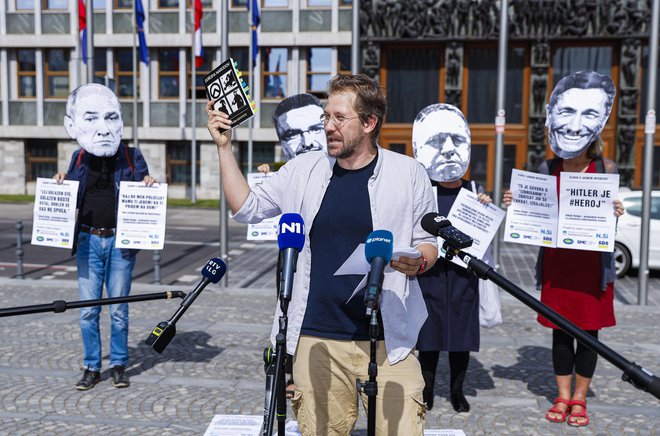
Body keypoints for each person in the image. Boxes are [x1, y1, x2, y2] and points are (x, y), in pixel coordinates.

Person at [207, 74, 438, 435]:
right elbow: (246, 207)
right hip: (317, 337)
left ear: (368, 122)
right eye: (325, 117)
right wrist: (224, 147)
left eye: (338, 118)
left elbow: (427, 241)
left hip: (389, 337)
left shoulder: (408, 173)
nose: (327, 127)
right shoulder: (302, 170)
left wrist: (420, 261)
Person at [503, 70, 625, 427]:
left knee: (589, 336)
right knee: (560, 332)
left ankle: (579, 399)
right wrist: (516, 202)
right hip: (558, 268)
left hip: (592, 271)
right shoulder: (547, 167)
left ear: (596, 130)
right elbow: (536, 212)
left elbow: (607, 224)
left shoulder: (605, 168)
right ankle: (560, 395)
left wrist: (615, 211)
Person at [54, 83, 156, 390]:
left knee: (119, 309)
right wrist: (61, 182)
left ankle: (119, 365)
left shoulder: (131, 156)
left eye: (111, 118)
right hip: (87, 240)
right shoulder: (79, 157)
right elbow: (71, 192)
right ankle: (91, 366)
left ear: (120, 122)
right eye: (92, 119)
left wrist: (150, 182)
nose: (103, 128)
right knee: (88, 311)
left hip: (120, 244)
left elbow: (144, 192)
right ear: (73, 126)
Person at [412, 103, 492, 413]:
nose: (448, 151)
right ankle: (428, 389)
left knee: (461, 338)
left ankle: (457, 392)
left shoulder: (474, 191)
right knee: (429, 337)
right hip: (431, 274)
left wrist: (486, 205)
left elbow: (486, 232)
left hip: (463, 276)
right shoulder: (422, 189)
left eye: (457, 142)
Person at [256, 93, 327, 173]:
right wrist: (263, 177)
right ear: (282, 143)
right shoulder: (281, 180)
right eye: (293, 135)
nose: (307, 143)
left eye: (315, 129)